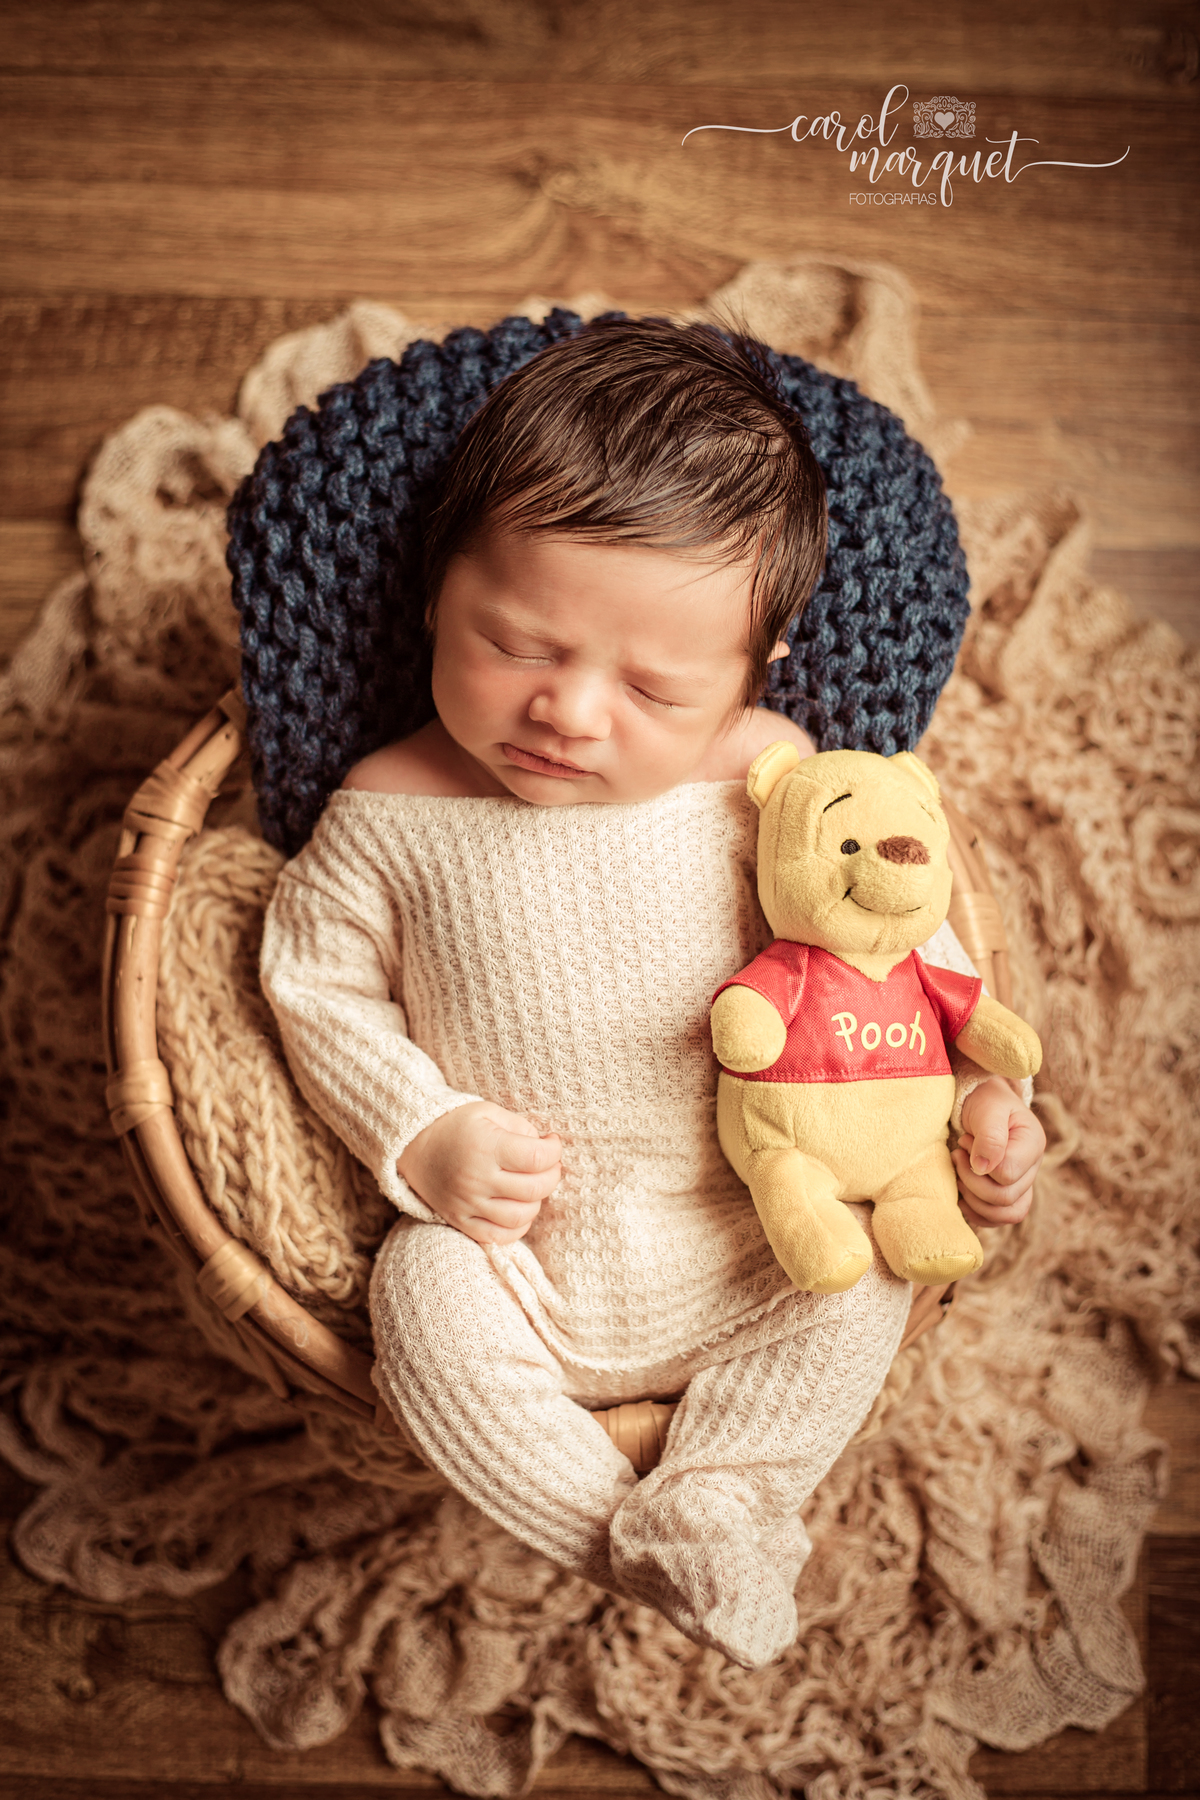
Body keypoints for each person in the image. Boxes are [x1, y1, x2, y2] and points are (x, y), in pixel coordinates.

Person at [261, 318, 1045, 1669]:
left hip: (762, 1224)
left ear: (752, 674)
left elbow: (888, 939)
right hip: (517, 1258)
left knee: (863, 1278)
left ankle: (721, 1497)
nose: (568, 711)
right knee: (417, 1302)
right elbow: (313, 985)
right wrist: (422, 1132)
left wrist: (981, 1098)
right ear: (436, 594)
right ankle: (628, 1538)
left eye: (651, 686)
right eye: (516, 643)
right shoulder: (387, 808)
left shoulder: (768, 778)